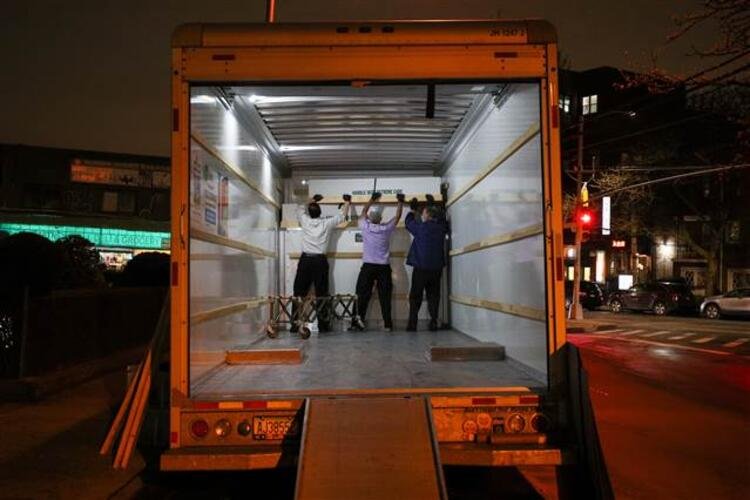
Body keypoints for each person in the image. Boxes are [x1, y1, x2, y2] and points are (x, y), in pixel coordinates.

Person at [292, 193, 351, 333]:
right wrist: (347, 202)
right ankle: (323, 326)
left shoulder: (305, 221)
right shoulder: (326, 223)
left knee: (299, 292)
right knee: (322, 294)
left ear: (309, 212)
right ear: (320, 213)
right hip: (320, 261)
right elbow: (342, 216)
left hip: (305, 260)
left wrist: (312, 200)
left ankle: (295, 324)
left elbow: (299, 208)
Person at [350, 192, 405, 332]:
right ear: (380, 220)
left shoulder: (365, 226)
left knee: (361, 294)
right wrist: (400, 202)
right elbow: (398, 217)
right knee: (385, 297)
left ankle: (356, 323)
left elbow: (363, 212)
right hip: (383, 267)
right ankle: (388, 325)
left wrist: (372, 199)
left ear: (369, 218)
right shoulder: (386, 229)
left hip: (368, 266)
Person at [405, 194, 447, 332]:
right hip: (436, 268)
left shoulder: (420, 228)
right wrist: (434, 205)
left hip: (421, 268)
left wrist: (412, 210)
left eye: (423, 213)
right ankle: (433, 322)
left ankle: (412, 324)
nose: (422, 215)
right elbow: (443, 220)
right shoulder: (441, 228)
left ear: (428, 215)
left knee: (415, 296)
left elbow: (408, 223)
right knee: (433, 296)